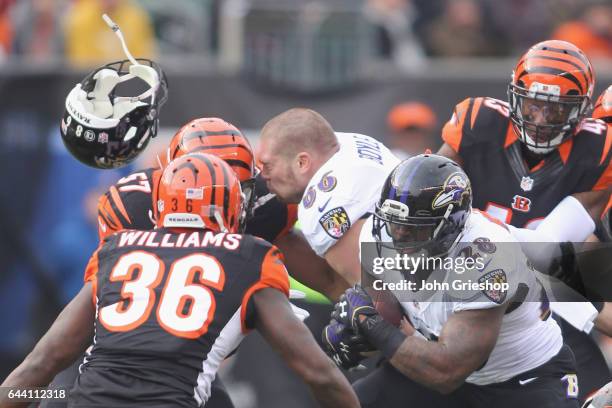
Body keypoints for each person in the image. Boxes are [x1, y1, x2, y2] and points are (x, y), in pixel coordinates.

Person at [0, 153, 359, 408]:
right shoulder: (250, 257)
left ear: (160, 206)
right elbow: (318, 373)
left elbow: (42, 363)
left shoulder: (118, 248)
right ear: (232, 209)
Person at [325, 154, 579, 407]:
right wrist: (353, 330)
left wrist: (370, 325)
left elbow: (447, 372)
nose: (400, 237)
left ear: (451, 226)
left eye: (415, 228)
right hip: (440, 366)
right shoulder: (376, 234)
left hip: (521, 382)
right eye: (394, 224)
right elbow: (384, 306)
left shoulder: (486, 254)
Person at [437, 40, 611, 400]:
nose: (542, 121)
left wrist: (477, 226)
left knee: (590, 385)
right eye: (534, 106)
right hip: (456, 287)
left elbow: (542, 251)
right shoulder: (478, 122)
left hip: (543, 303)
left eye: (556, 111)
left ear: (582, 112)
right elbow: (430, 206)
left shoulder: (598, 153)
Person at [258, 107, 400, 286]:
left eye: (268, 166)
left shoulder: (321, 205)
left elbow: (381, 293)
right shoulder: (349, 143)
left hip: (430, 285)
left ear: (302, 162)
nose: (263, 175)